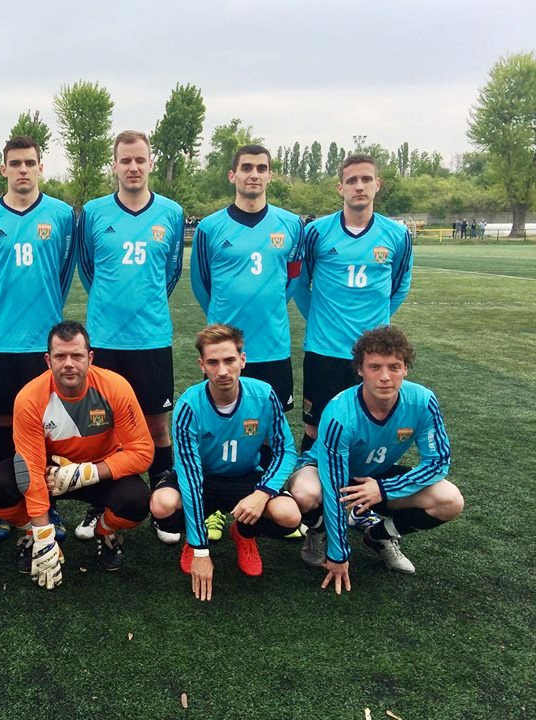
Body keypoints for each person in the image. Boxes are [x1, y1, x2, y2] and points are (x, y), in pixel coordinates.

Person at [288, 325, 463, 594]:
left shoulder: (423, 401)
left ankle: (379, 536)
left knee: (450, 500)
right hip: (325, 474)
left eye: (394, 367)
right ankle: (319, 530)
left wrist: (382, 489)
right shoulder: (340, 413)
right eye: (375, 367)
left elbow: (438, 462)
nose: (385, 377)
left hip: (376, 477)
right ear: (360, 369)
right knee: (304, 492)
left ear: (405, 369)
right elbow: (334, 487)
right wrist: (339, 554)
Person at [0, 321, 153, 589]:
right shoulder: (29, 397)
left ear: (90, 358)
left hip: (99, 471)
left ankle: (104, 530)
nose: (69, 364)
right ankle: (32, 535)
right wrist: (43, 534)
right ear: (48, 360)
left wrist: (86, 473)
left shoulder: (115, 387)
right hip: (49, 476)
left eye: (77, 356)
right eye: (60, 356)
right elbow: (30, 467)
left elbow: (142, 452)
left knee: (137, 501)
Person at [190, 143, 304, 544]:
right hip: (224, 352)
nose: (254, 174)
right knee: (218, 425)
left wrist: (267, 310)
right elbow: (201, 284)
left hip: (272, 346)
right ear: (232, 175)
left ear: (270, 174)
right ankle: (215, 509)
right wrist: (223, 328)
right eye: (247, 168)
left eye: (261, 168)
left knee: (271, 430)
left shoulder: (290, 225)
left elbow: (293, 280)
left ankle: (267, 499)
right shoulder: (210, 228)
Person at [77, 130, 184, 543]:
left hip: (151, 338)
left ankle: (161, 504)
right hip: (103, 341)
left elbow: (171, 272)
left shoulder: (171, 213)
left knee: (157, 427)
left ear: (151, 162)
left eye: (140, 159)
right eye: (126, 160)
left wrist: (145, 301)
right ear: (115, 165)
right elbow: (88, 269)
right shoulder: (94, 212)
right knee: (99, 429)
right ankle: (99, 504)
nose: (133, 167)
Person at [0, 135, 76, 540]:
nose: (23, 170)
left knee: (48, 424)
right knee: (5, 420)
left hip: (44, 343)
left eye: (30, 163)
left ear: (40, 167)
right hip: (2, 339)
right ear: (4, 169)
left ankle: (48, 507)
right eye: (15, 163)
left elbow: (65, 272)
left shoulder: (61, 214)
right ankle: (9, 509)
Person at [150, 325, 299, 600]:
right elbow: (190, 477)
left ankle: (243, 533)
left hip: (244, 477)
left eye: (229, 360)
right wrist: (200, 549)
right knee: (162, 505)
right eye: (213, 362)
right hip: (202, 478)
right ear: (201, 365)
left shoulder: (264, 395)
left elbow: (286, 451)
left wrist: (261, 494)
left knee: (289, 515)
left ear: (242, 360)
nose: (222, 371)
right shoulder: (189, 405)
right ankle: (193, 536)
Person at [292, 153, 412, 458]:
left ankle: (357, 484)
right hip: (324, 348)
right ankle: (310, 486)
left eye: (366, 179)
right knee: (315, 428)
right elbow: (300, 283)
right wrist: (319, 318)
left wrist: (376, 326)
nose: (359, 186)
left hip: (374, 352)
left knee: (369, 425)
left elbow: (399, 285)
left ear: (377, 184)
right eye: (352, 180)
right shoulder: (316, 231)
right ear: (340, 188)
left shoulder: (397, 234)